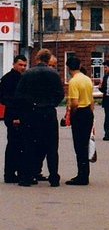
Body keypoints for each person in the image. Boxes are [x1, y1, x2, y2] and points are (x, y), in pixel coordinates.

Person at [14, 49, 63, 187]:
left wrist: (24, 110)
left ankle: (27, 176)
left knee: (29, 145)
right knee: (52, 147)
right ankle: (54, 176)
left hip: (31, 113)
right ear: (48, 60)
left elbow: (19, 95)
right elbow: (60, 94)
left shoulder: (28, 73)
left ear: (37, 59)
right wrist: (51, 103)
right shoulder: (53, 74)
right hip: (48, 112)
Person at [62, 56, 95, 186]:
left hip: (79, 113)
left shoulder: (73, 82)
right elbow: (91, 100)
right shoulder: (87, 79)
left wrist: (72, 115)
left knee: (79, 146)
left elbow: (74, 102)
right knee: (85, 144)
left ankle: (81, 176)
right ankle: (85, 173)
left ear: (68, 68)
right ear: (80, 65)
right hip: (88, 111)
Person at [0, 54, 27, 184]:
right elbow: (8, 99)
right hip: (13, 116)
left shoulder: (21, 78)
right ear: (14, 64)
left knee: (19, 144)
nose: (23, 67)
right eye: (20, 65)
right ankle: (10, 174)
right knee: (13, 144)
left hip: (19, 115)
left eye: (25, 65)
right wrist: (15, 116)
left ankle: (18, 172)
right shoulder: (8, 79)